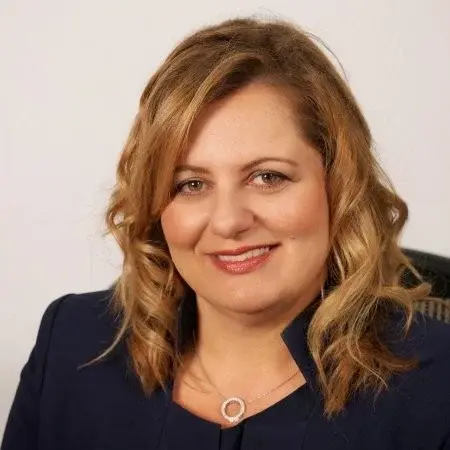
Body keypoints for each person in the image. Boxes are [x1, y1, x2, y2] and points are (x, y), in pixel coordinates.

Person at [2, 16, 450, 450]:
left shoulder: (437, 388)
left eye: (268, 177)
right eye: (191, 184)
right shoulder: (71, 345)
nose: (228, 221)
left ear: (339, 186)